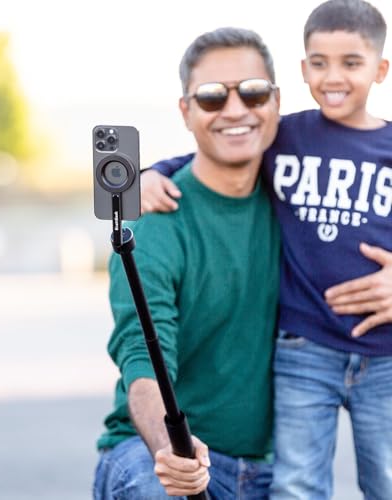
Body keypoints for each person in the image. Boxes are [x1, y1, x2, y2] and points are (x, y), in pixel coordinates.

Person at [140, 1, 392, 498]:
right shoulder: (286, 135)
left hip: (385, 352)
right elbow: (206, 152)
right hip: (304, 348)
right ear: (302, 70)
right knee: (297, 482)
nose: (333, 76)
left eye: (351, 63)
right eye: (319, 63)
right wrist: (151, 173)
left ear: (380, 69)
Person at [93, 27, 282, 499]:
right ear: (186, 111)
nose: (235, 110)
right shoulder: (152, 226)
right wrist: (171, 452)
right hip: (154, 452)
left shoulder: (300, 203)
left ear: (276, 101)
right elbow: (141, 360)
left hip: (272, 467)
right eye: (213, 97)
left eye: (253, 92)